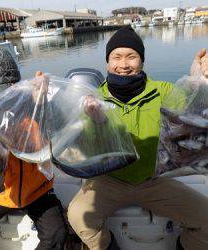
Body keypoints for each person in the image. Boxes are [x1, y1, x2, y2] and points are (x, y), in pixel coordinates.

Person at [67, 25, 208, 250]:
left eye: (131, 57)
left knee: (205, 218)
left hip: (154, 178)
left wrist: (196, 80)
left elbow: (193, 108)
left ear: (142, 61)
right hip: (108, 180)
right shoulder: (92, 99)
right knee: (78, 216)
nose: (123, 65)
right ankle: (107, 246)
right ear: (107, 62)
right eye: (117, 57)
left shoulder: (163, 91)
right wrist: (97, 122)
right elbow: (85, 148)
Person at [0, 46, 67, 250]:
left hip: (37, 190)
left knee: (57, 234)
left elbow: (59, 127)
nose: (2, 98)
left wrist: (42, 102)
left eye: (8, 91)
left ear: (17, 83)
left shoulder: (33, 102)